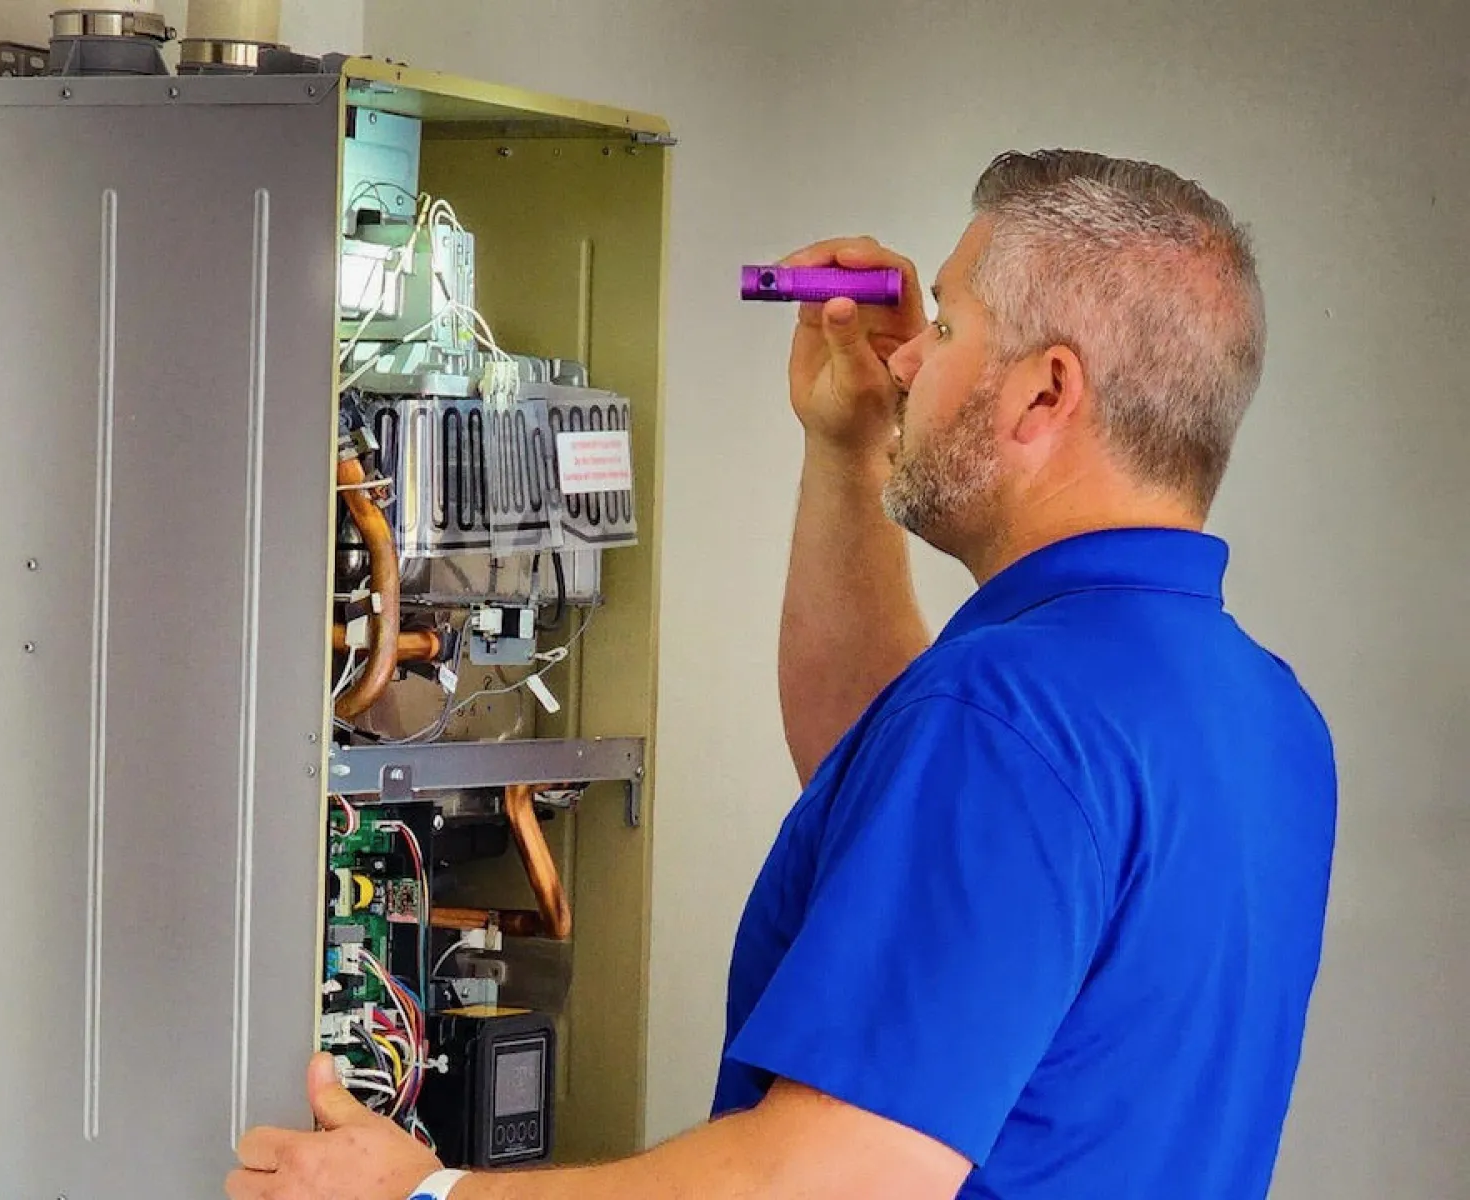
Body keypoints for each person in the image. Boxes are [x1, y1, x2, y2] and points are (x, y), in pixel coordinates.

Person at [226, 149, 1337, 1200]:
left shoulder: (1007, 715)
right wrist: (847, 449)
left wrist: (426, 1190)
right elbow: (880, 783)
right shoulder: (1263, 712)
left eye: (945, 324)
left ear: (1045, 394)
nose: (907, 354)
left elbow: (831, 1181)